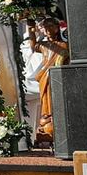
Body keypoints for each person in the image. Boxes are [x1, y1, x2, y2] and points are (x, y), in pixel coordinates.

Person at [27, 17, 69, 146]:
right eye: (46, 28)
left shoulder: (65, 45)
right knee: (45, 99)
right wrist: (31, 29)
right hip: (44, 77)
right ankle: (47, 118)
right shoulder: (44, 45)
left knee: (56, 98)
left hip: (57, 78)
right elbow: (33, 46)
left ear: (57, 28)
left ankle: (56, 121)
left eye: (51, 26)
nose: (48, 30)